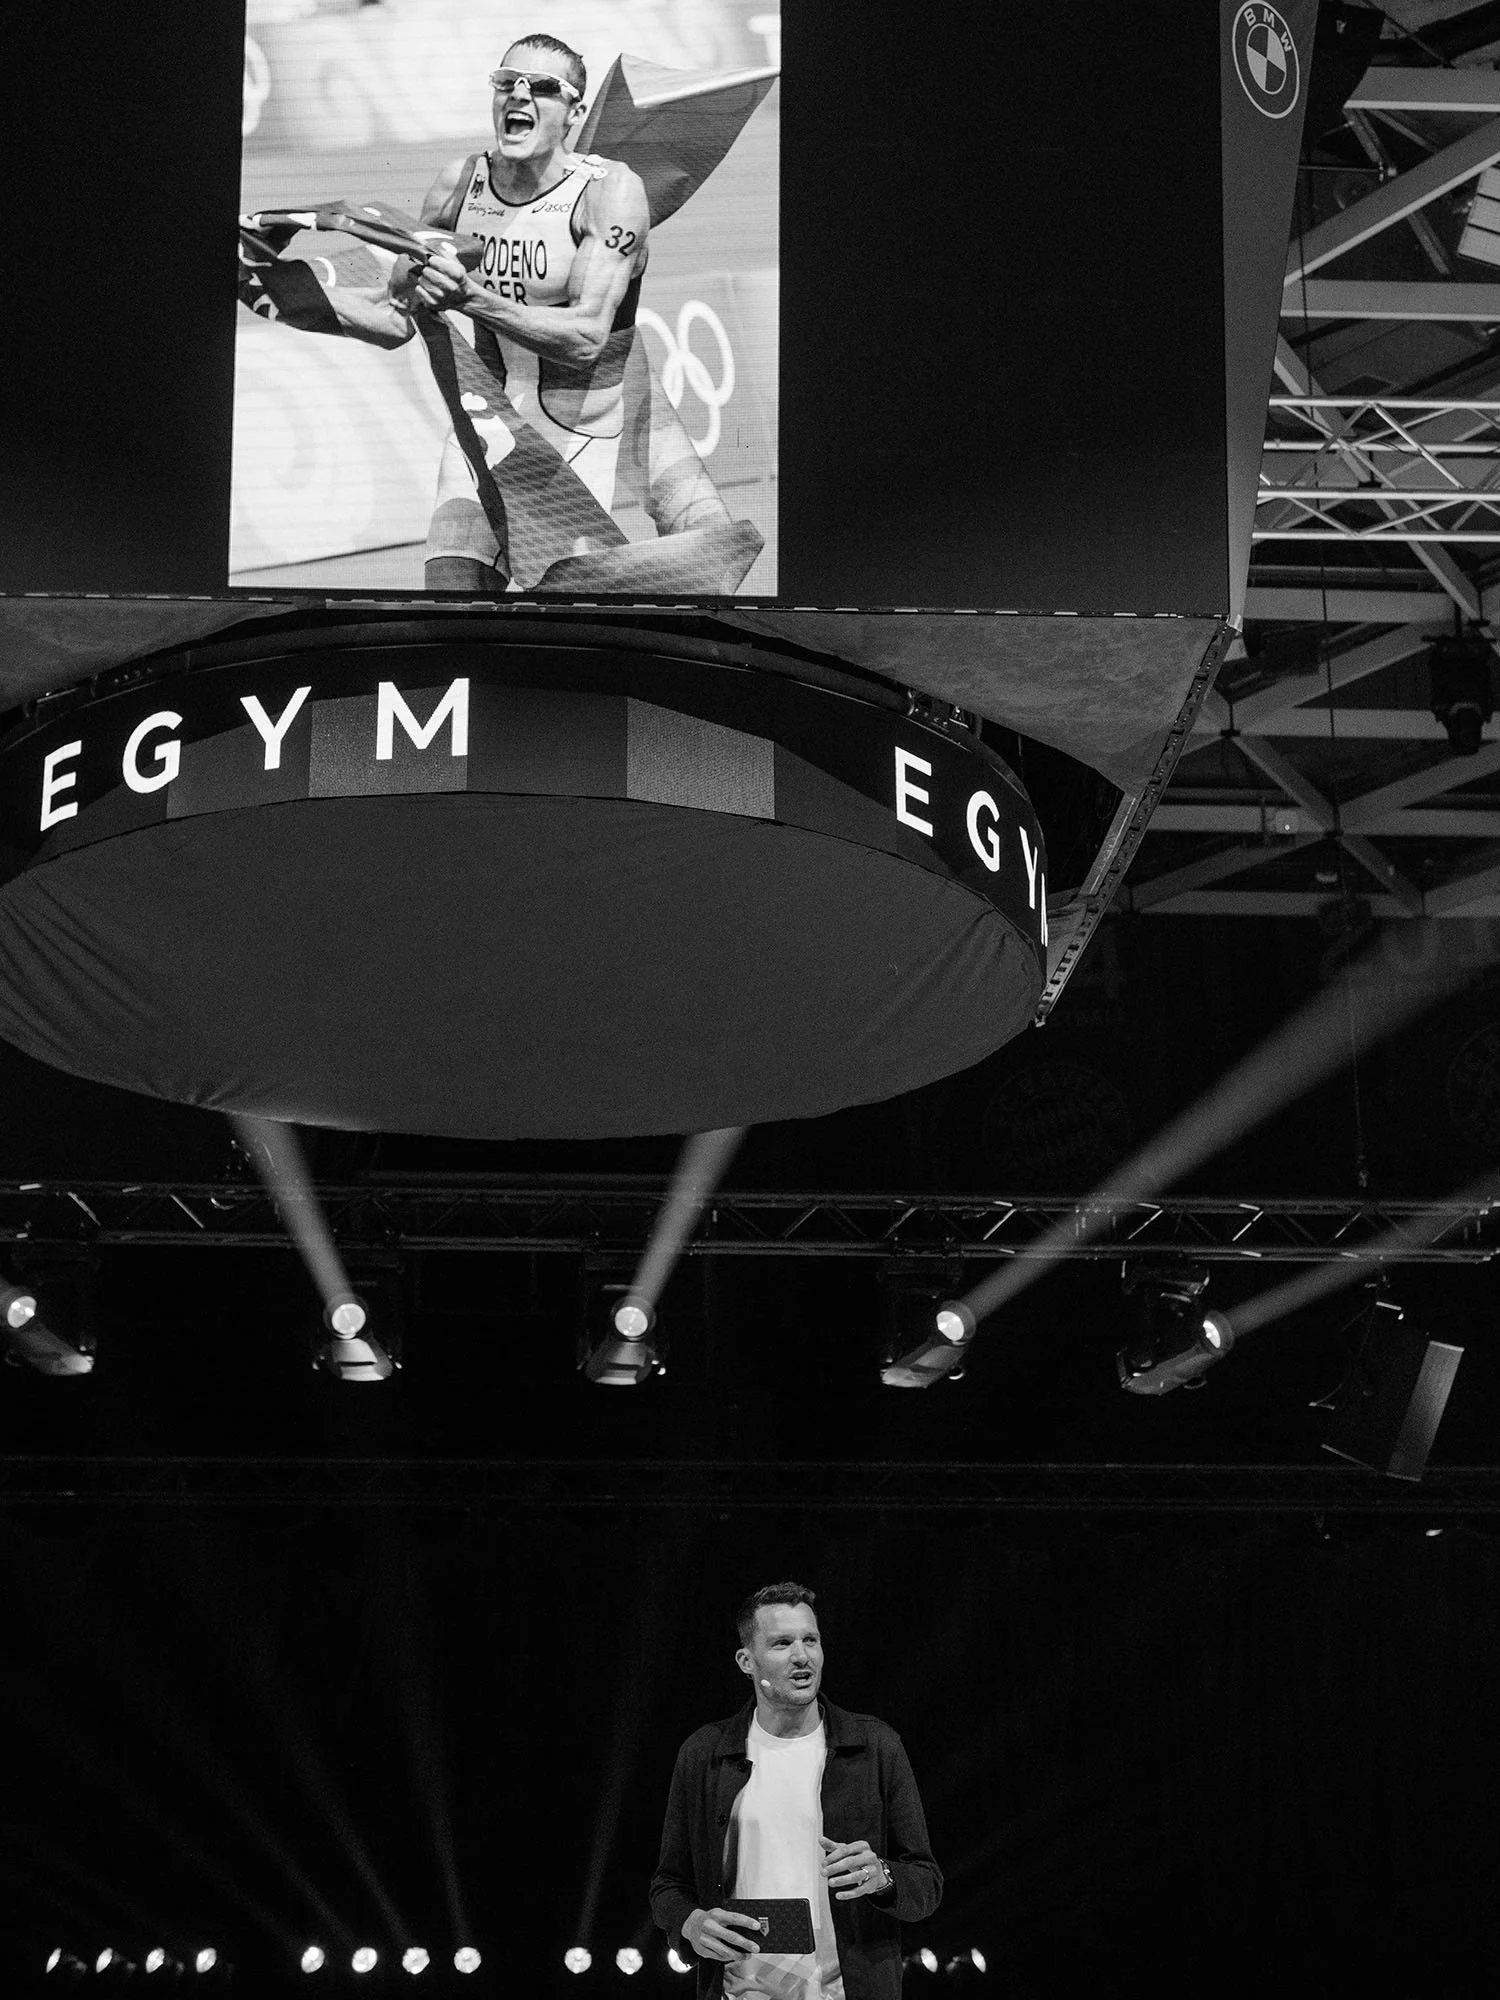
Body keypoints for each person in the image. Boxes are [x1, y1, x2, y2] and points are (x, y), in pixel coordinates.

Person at [651, 1582, 942, 2000]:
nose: (802, 1656)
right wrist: (689, 1923)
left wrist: (883, 1876)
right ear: (746, 1661)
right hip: (740, 1991)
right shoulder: (705, 1754)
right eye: (782, 1643)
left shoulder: (875, 1746)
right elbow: (668, 1885)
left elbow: (927, 1884)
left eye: (810, 1640)